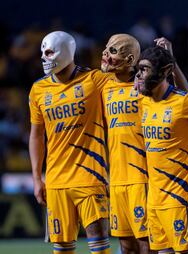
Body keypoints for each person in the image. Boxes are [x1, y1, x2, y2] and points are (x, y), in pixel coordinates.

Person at [29, 31, 110, 254]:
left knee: (99, 244)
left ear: (65, 52)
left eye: (49, 52)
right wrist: (37, 178)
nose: (44, 58)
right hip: (56, 182)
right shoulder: (38, 90)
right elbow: (36, 136)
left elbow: (127, 88)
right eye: (42, 53)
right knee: (62, 248)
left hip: (91, 177)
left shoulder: (94, 80)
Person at [136, 46, 188, 253]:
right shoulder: (143, 102)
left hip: (180, 197)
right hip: (154, 199)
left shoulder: (183, 104)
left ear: (164, 71)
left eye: (145, 69)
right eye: (138, 69)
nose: (139, 74)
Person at [100, 33, 150, 254]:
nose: (104, 55)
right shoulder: (103, 87)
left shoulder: (146, 87)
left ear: (130, 60)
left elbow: (178, 98)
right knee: (126, 245)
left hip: (143, 177)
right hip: (117, 178)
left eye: (113, 51)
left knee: (146, 244)